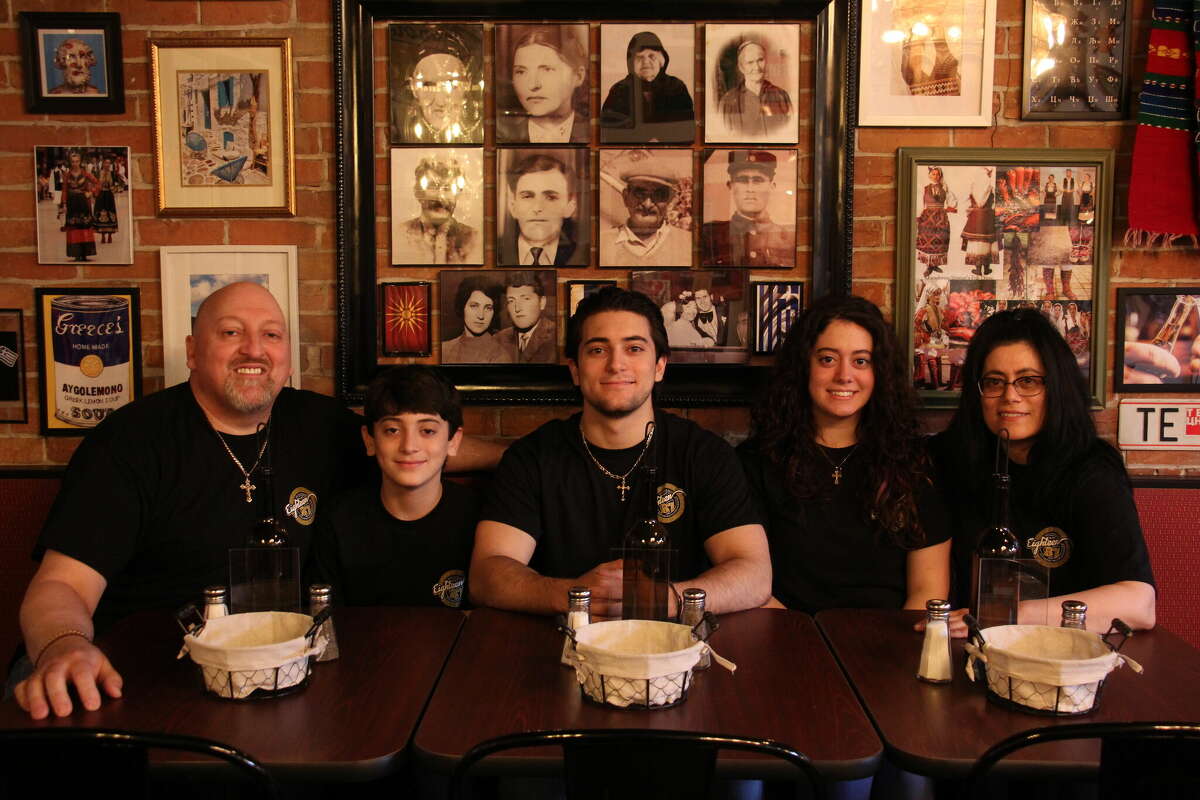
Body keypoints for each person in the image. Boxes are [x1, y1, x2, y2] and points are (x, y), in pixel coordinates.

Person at [13, 282, 502, 719]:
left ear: (287, 354)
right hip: (145, 670)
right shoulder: (132, 442)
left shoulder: (319, 424)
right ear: (191, 350)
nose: (254, 350)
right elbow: (62, 586)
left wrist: (521, 459)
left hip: (277, 674)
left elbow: (414, 450)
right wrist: (64, 647)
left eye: (271, 335)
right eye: (230, 333)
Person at [470, 286, 771, 617]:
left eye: (634, 348)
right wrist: (576, 595)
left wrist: (661, 599)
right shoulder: (532, 457)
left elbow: (754, 575)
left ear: (659, 366)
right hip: (563, 647)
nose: (616, 364)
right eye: (598, 350)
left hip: (676, 651)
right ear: (574, 368)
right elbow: (487, 575)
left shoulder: (705, 454)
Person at [931, 309, 1156, 634]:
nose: (1010, 396)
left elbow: (1140, 604)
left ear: (1056, 387)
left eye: (1028, 381)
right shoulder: (950, 458)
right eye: (994, 381)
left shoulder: (1092, 471)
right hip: (968, 654)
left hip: (1063, 660)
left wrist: (1006, 616)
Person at [738, 295, 951, 613]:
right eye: (827, 359)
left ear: (879, 372)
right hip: (786, 642)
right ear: (803, 366)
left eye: (861, 361)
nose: (844, 375)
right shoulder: (754, 461)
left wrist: (891, 657)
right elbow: (745, 583)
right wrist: (802, 649)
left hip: (888, 648)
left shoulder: (915, 462)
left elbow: (927, 595)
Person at [309, 366, 481, 608]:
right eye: (392, 430)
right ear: (370, 440)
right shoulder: (337, 521)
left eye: (428, 430)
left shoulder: (481, 520)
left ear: (453, 441)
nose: (409, 446)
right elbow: (325, 625)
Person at [700, 150, 795, 267]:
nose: (750, 189)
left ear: (772, 186)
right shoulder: (710, 235)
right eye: (742, 180)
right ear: (730, 186)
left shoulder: (789, 238)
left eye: (757, 180)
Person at [599, 149, 692, 267]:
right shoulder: (601, 245)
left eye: (659, 195)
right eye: (639, 193)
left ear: (670, 200)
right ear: (626, 197)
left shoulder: (689, 244)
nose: (647, 204)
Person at [600, 31, 694, 143]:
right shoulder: (619, 90)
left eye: (651, 56)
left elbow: (687, 130)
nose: (645, 62)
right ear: (631, 63)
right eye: (639, 57)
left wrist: (661, 140)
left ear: (662, 61)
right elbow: (608, 132)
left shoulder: (676, 87)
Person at [497, 27, 588, 144]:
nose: (533, 85)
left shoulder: (593, 132)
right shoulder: (501, 134)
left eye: (547, 70)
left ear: (578, 76)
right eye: (521, 71)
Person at [498, 152, 586, 266]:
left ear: (569, 207)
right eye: (527, 196)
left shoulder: (582, 256)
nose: (537, 207)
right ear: (513, 207)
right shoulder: (496, 253)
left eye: (551, 197)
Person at [394, 156, 482, 264]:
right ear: (418, 192)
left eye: (447, 188)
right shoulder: (400, 235)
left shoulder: (474, 239)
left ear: (457, 194)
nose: (441, 197)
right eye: (432, 187)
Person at [396, 40, 481, 144]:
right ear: (413, 87)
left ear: (467, 85)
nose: (440, 102)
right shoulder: (401, 132)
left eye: (453, 85)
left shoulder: (479, 133)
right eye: (427, 85)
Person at [717, 39, 792, 138]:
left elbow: (790, 134)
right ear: (741, 67)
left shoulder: (782, 96)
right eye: (750, 62)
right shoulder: (727, 102)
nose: (756, 67)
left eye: (760, 60)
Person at [441, 276, 506, 364]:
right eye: (474, 306)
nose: (481, 315)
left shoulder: (500, 355)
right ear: (462, 306)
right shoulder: (444, 349)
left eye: (488, 308)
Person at [495, 271, 556, 364]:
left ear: (542, 303)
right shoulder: (498, 339)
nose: (517, 308)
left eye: (526, 299)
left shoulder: (556, 337)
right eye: (511, 301)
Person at [916, 166, 957, 278]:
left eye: (937, 174)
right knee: (928, 240)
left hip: (940, 218)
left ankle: (935, 264)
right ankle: (929, 266)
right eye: (933, 174)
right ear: (929, 175)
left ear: (940, 176)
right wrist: (918, 216)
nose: (935, 176)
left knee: (940, 239)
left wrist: (948, 208)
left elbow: (952, 200)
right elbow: (920, 203)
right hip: (928, 218)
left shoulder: (945, 188)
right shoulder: (924, 189)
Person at [59, 150, 98, 263]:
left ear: (80, 162)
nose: (75, 163)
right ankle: (76, 253)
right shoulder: (66, 175)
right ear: (70, 162)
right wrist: (64, 204)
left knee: (84, 227)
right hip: (71, 203)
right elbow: (65, 190)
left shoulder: (86, 174)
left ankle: (85, 253)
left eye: (77, 161)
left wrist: (90, 192)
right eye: (73, 161)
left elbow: (97, 183)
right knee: (73, 228)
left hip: (83, 203)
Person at [92, 157, 119, 246]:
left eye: (109, 163)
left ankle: (110, 235)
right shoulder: (98, 173)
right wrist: (95, 191)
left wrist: (113, 189)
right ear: (103, 164)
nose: (107, 165)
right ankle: (103, 235)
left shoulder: (113, 173)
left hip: (109, 195)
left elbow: (117, 184)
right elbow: (94, 184)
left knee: (110, 213)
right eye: (106, 163)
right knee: (101, 213)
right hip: (100, 195)